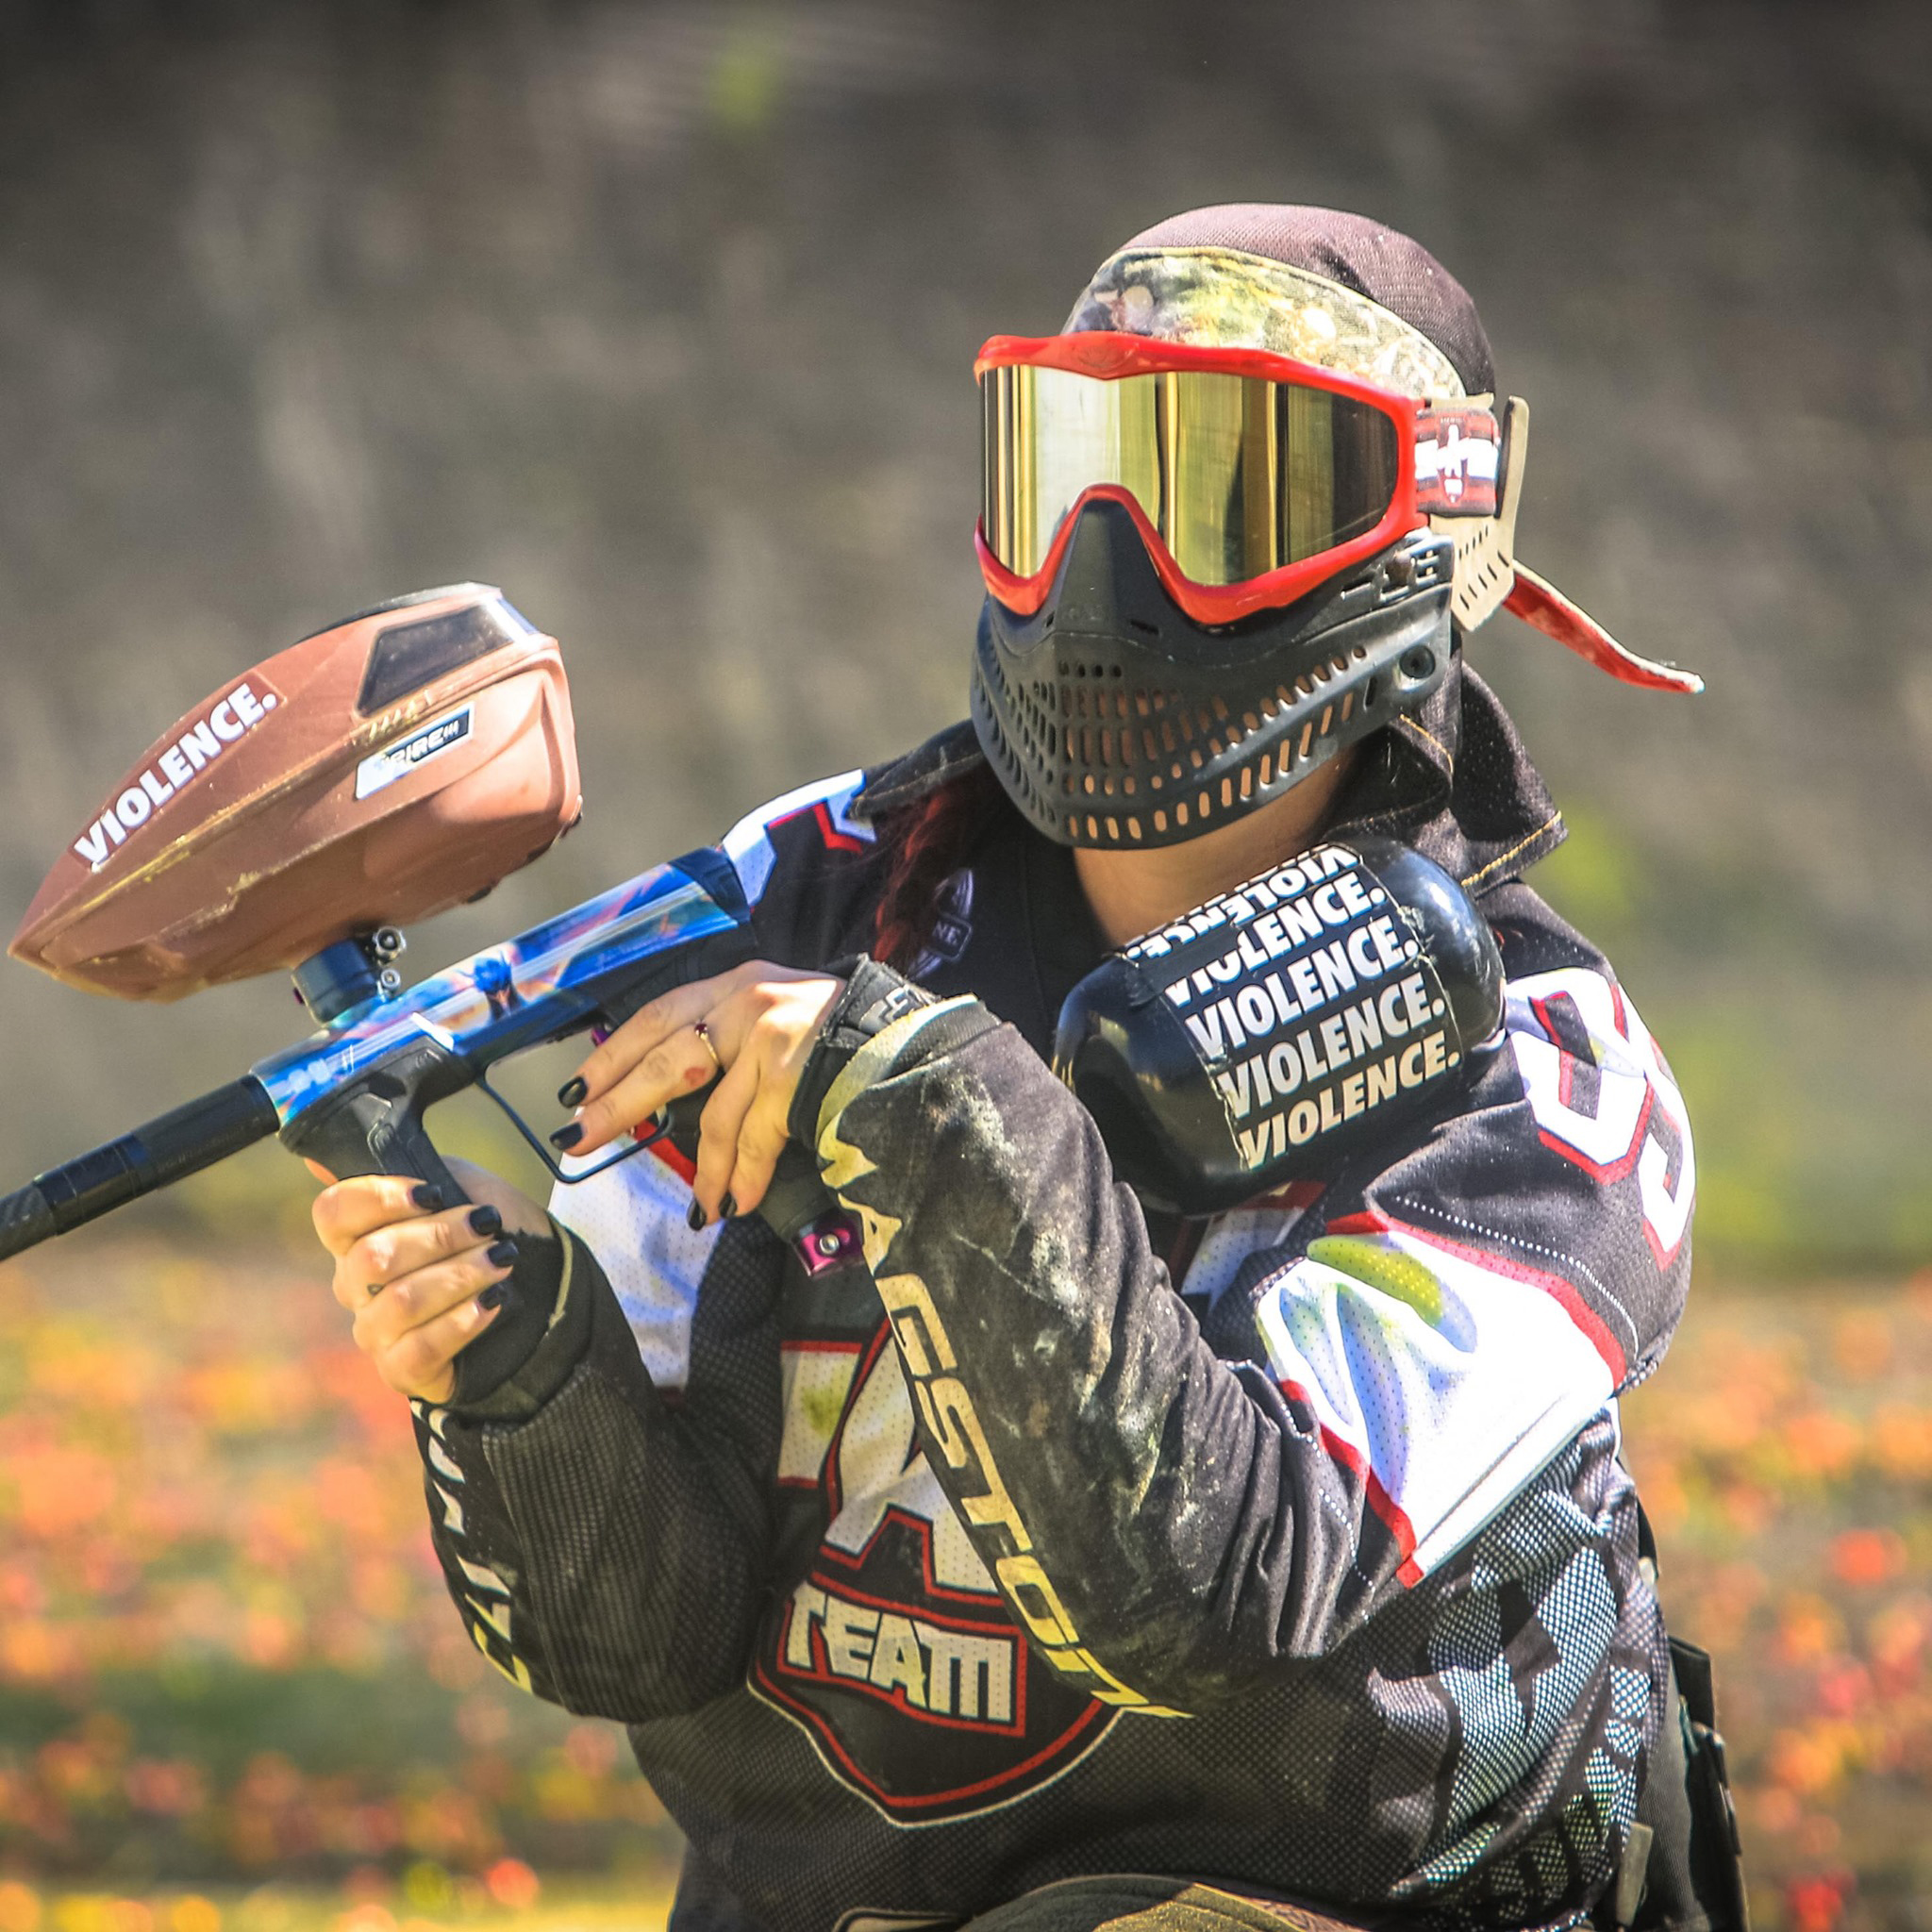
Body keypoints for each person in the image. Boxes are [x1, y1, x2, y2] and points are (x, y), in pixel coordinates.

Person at [309, 208, 1733, 1932]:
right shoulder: (814, 900)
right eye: (1063, 469)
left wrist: (913, 1095)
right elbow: (639, 1634)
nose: (1114, 567)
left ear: (1428, 538)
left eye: (1231, 499)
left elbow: (1230, 1585)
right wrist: (529, 1371)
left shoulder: (1538, 1075)